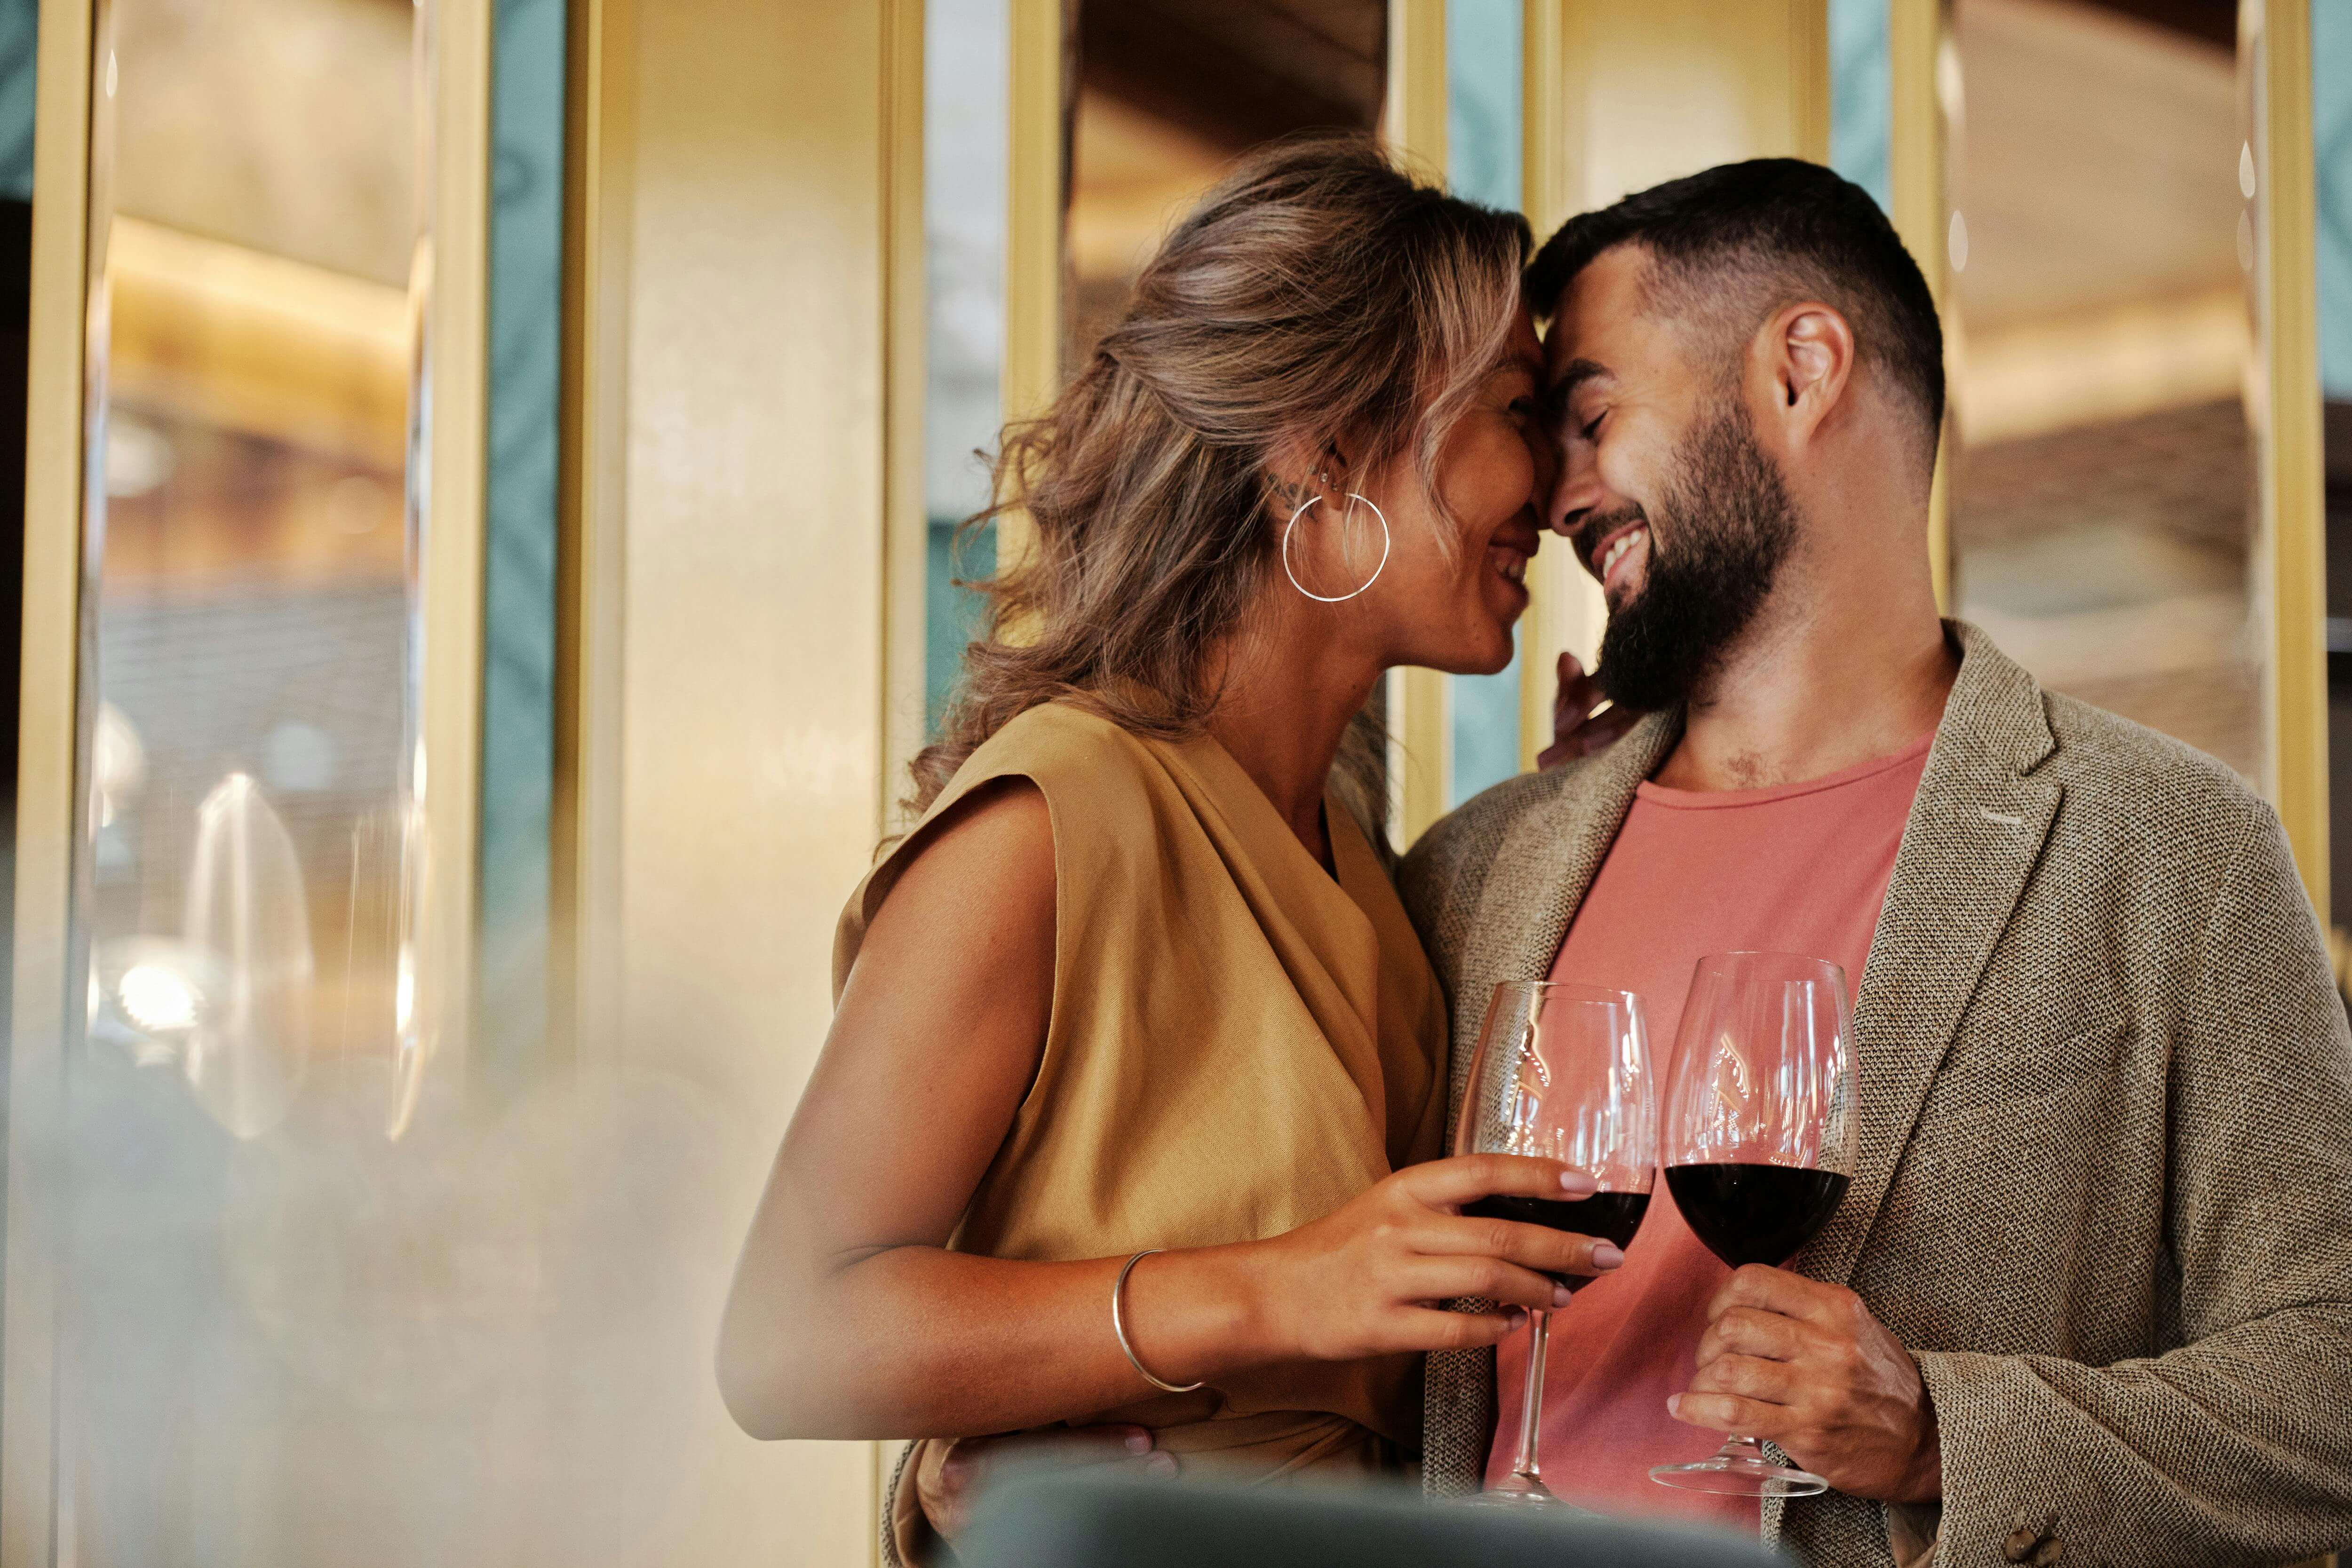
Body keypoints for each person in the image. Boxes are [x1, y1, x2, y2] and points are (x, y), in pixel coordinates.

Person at [1400, 159, 2352, 1566]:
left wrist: (1940, 1435)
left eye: (1594, 418)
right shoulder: (1475, 872)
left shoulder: (2171, 849)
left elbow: (2331, 1374)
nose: (1557, 497)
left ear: (1801, 371)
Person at [714, 137, 1634, 1568]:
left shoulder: (1358, 867)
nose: (1557, 482)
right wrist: (1271, 1295)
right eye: (1519, 409)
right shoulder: (1056, 817)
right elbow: (782, 1340)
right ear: (1323, 450)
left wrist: (1594, 824)